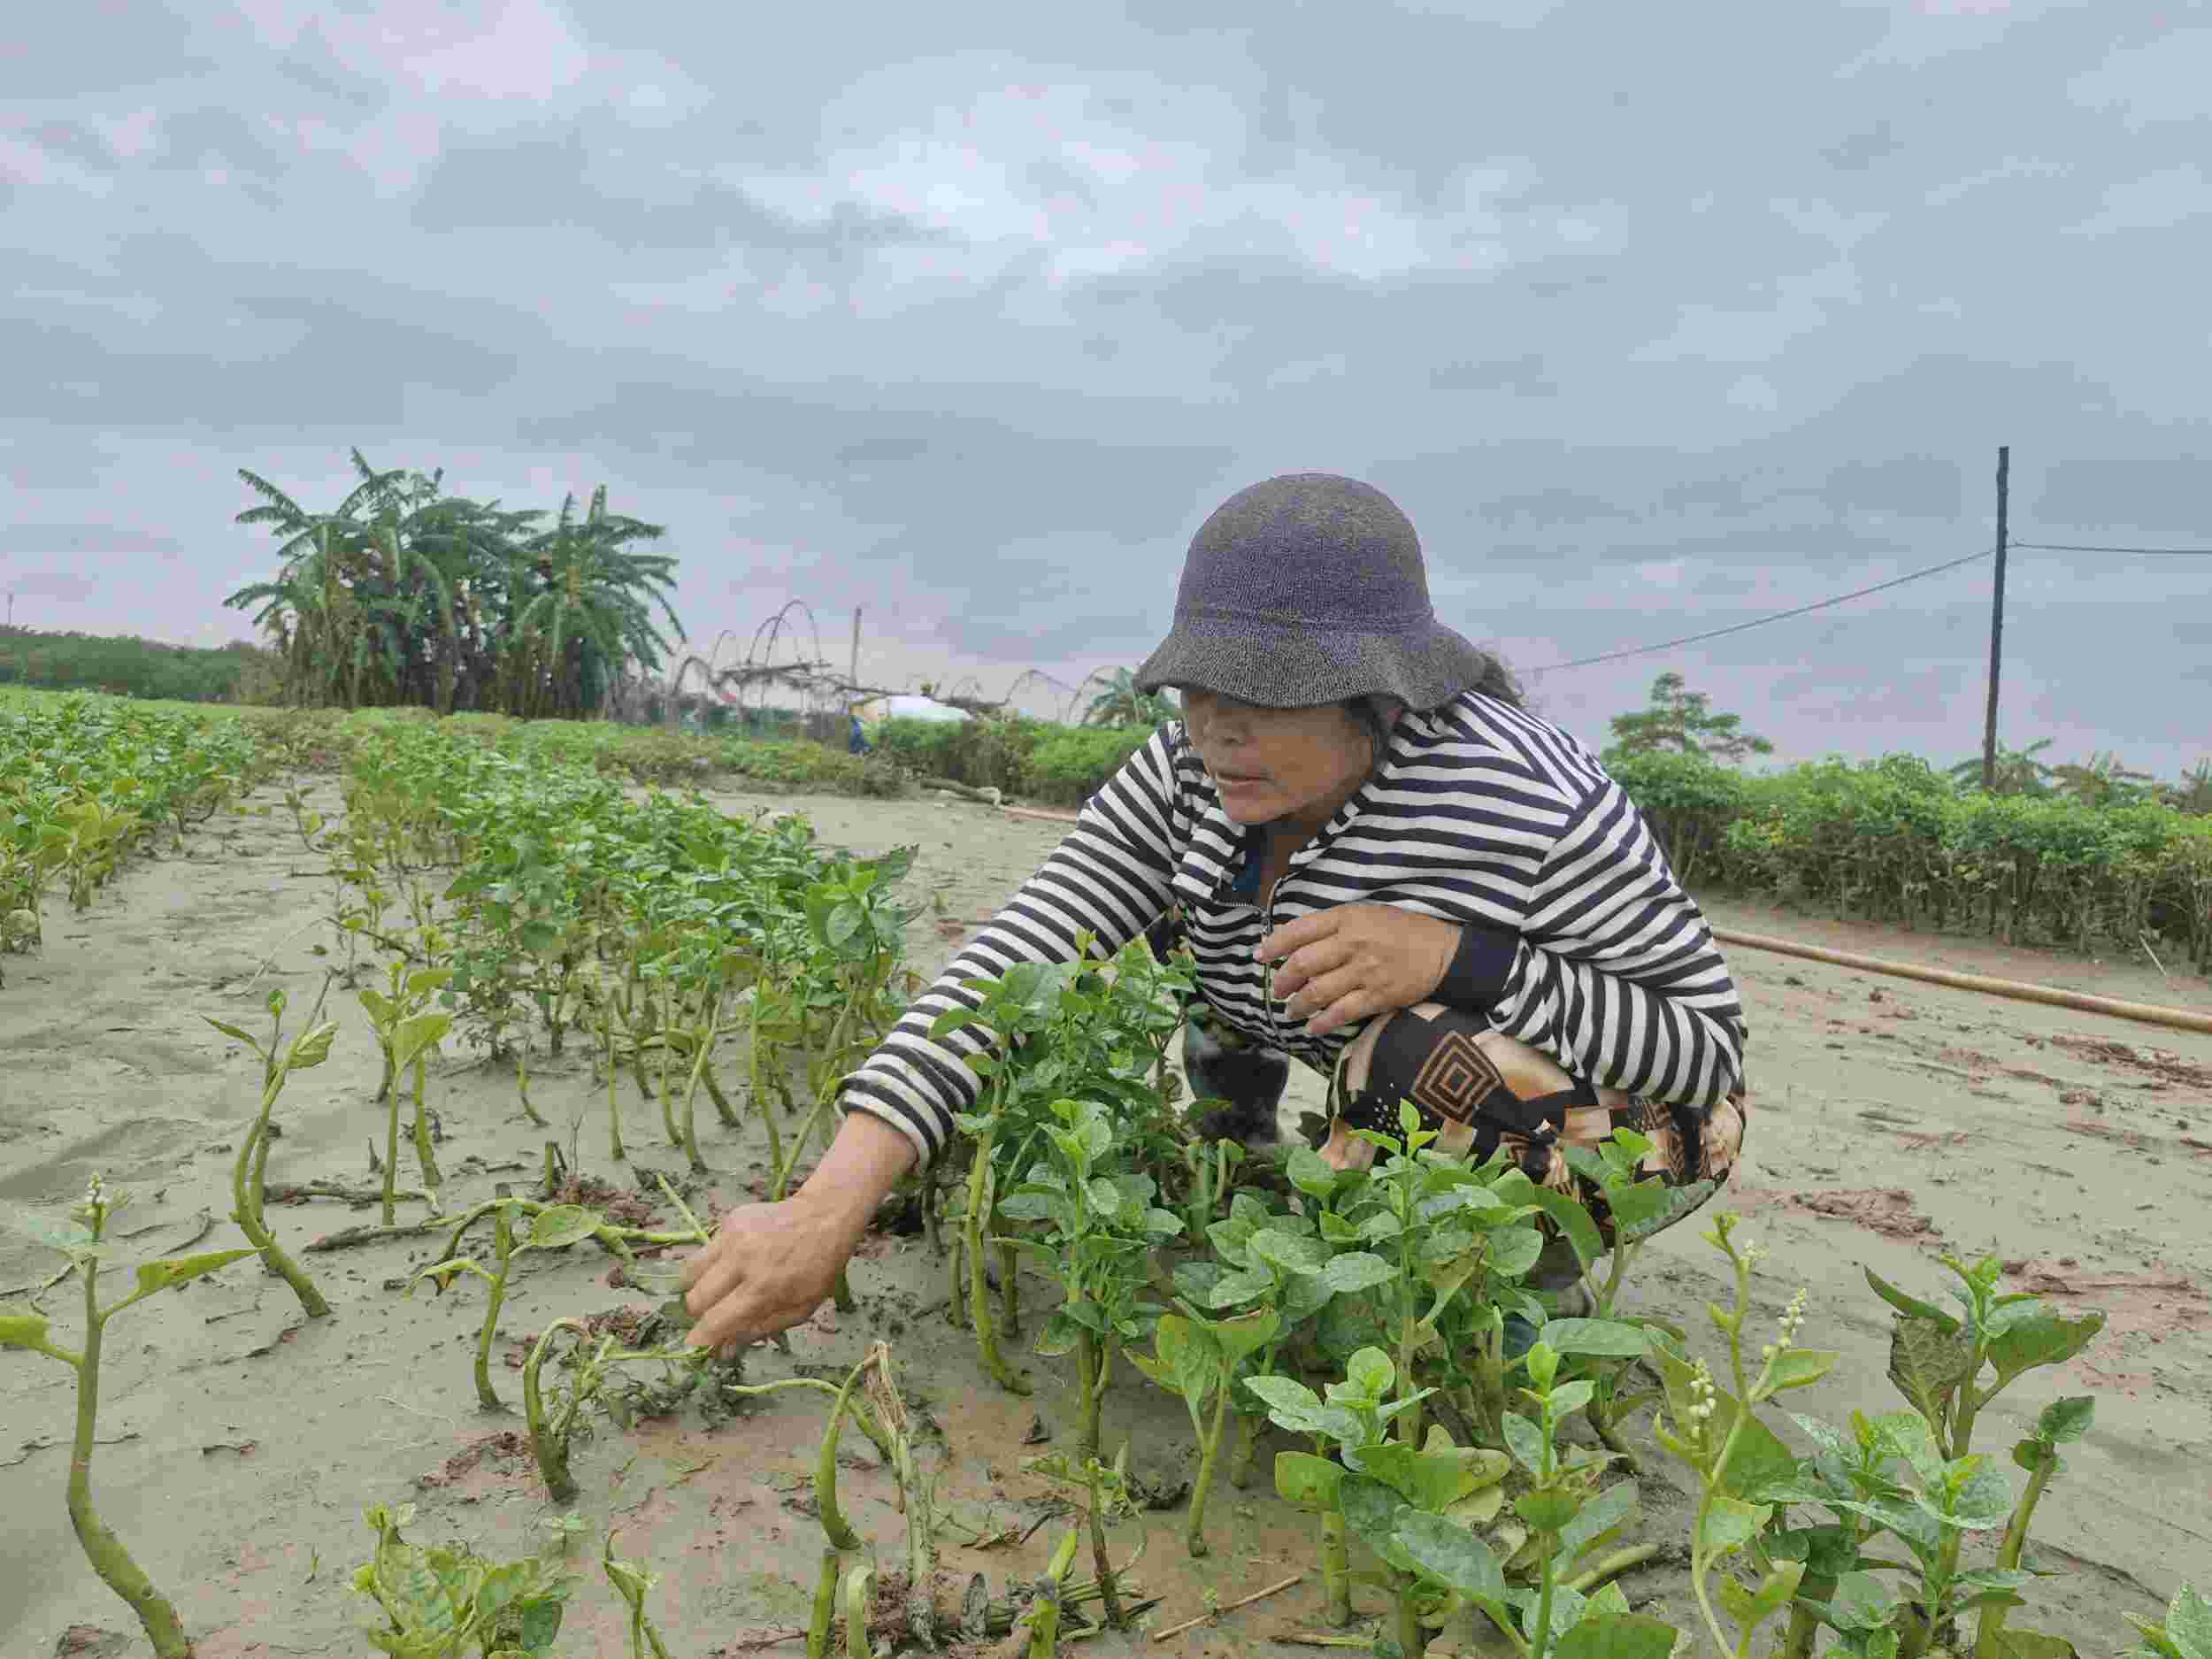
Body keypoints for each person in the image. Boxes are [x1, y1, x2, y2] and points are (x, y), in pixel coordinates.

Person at [684, 472, 1751, 1357]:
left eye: (1264, 696)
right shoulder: (1189, 770)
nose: (1215, 731)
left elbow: (1705, 1053)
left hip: (1634, 1119)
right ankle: (1236, 1145)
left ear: (1375, 696)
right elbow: (1024, 949)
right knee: (1121, 942)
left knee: (1415, 1054)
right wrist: (827, 1205)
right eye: (1198, 689)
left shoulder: (1520, 796)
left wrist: (1459, 958)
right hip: (1375, 1057)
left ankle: (1506, 1299)